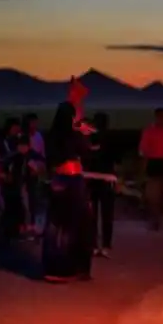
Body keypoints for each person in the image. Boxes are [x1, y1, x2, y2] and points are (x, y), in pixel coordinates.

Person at [42, 101, 95, 282]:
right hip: (72, 182)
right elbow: (85, 151)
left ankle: (53, 268)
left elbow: (50, 159)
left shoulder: (51, 135)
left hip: (57, 181)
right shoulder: (72, 134)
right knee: (79, 223)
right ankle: (73, 268)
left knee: (57, 224)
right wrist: (84, 133)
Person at [85, 112, 117, 257]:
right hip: (106, 179)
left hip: (93, 179)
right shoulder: (110, 138)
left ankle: (94, 245)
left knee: (93, 214)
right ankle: (105, 245)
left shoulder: (89, 138)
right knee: (106, 214)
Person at [0, 135, 40, 241]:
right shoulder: (11, 157)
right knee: (14, 209)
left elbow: (36, 171)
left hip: (25, 187)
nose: (22, 148)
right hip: (13, 189)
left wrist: (34, 173)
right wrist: (6, 176)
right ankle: (11, 230)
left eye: (24, 145)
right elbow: (2, 170)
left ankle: (22, 230)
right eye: (20, 145)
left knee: (26, 209)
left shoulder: (31, 157)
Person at [22, 113, 45, 235]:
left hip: (34, 172)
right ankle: (25, 224)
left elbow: (41, 154)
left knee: (34, 199)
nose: (34, 125)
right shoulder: (24, 137)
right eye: (32, 122)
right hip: (24, 171)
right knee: (24, 199)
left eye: (35, 122)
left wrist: (39, 169)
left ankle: (32, 224)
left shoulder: (38, 136)